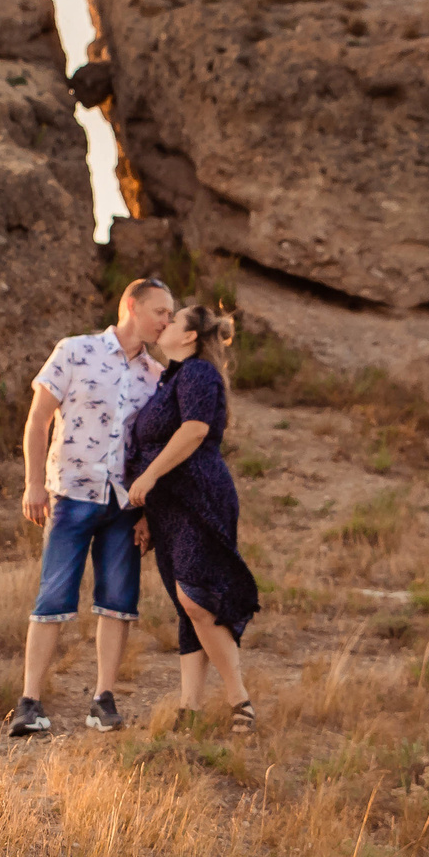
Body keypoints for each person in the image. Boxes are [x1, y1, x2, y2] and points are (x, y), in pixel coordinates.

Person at [6, 276, 177, 737]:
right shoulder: (74, 350)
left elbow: (154, 449)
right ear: (132, 305)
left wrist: (147, 513)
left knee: (118, 602)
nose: (166, 321)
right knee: (52, 597)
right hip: (70, 494)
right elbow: (38, 418)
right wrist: (34, 483)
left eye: (170, 315)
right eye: (160, 311)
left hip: (124, 503)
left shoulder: (156, 376)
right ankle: (29, 702)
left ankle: (103, 698)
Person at [125, 304, 262, 732]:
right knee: (187, 605)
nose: (163, 324)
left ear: (189, 337)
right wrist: (147, 513)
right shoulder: (172, 379)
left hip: (198, 498)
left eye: (173, 320)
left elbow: (195, 430)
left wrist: (147, 476)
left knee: (196, 597)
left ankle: (239, 699)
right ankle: (190, 708)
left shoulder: (198, 373)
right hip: (167, 507)